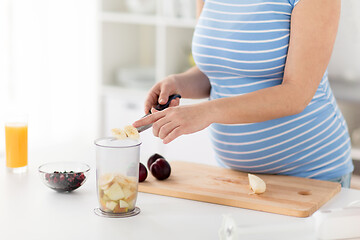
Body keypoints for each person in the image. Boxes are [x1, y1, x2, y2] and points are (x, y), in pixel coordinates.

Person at [133, 0, 353, 187]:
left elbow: (297, 94)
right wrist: (178, 82)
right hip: (237, 177)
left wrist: (207, 112)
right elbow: (217, 72)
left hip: (310, 175)